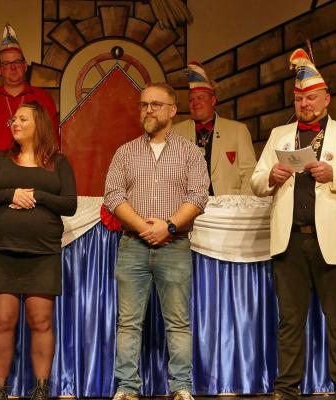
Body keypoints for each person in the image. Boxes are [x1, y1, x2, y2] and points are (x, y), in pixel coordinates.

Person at [251, 49, 336, 400]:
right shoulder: (280, 133)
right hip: (290, 240)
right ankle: (286, 388)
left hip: (332, 238)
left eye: (310, 97)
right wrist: (271, 177)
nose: (304, 103)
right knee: (290, 322)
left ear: (326, 98)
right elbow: (255, 179)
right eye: (298, 98)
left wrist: (334, 174)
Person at [104, 82, 209, 400]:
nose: (147, 110)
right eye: (143, 104)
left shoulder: (191, 152)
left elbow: (199, 195)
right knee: (128, 323)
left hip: (174, 246)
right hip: (133, 245)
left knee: (178, 322)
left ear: (172, 111)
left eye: (155, 104)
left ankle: (181, 387)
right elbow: (113, 195)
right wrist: (144, 227)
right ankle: (127, 387)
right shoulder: (125, 152)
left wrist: (169, 226)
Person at [0, 102, 77, 400]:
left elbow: (70, 204)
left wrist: (37, 196)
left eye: (22, 119)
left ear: (38, 124)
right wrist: (10, 194)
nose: (15, 123)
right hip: (2, 251)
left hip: (42, 253)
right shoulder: (1, 160)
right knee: (2, 320)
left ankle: (42, 388)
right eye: (13, 119)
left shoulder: (58, 162)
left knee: (41, 321)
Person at [174, 61, 256, 195]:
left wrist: (244, 206)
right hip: (187, 209)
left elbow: (249, 172)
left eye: (200, 98)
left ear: (212, 101)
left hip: (228, 210)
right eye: (191, 100)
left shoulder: (237, 130)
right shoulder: (176, 132)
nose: (194, 103)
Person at [0, 23, 59, 151]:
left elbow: (53, 140)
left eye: (17, 62)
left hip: (34, 168)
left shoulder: (42, 97)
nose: (13, 67)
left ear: (25, 66)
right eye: (7, 63)